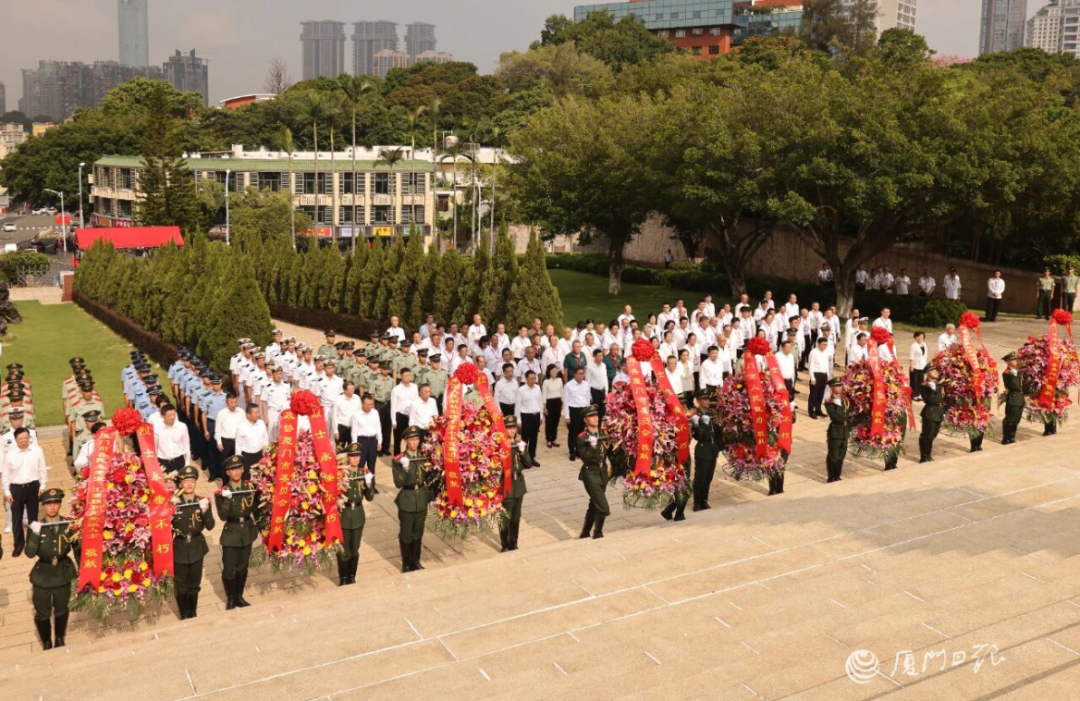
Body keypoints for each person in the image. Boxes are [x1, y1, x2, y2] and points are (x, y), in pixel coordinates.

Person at [25, 488, 78, 650]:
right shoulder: (37, 526)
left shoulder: (68, 524)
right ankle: (46, 641)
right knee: (42, 612)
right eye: (48, 504)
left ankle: (60, 638)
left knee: (61, 608)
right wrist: (35, 533)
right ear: (43, 506)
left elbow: (78, 548)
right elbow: (29, 553)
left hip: (62, 571)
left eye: (55, 503)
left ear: (60, 504)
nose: (52, 507)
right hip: (43, 574)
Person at [216, 455, 261, 610]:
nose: (236, 472)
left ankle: (239, 596)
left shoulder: (250, 487)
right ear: (227, 473)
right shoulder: (221, 492)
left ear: (242, 469)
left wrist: (262, 528)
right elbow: (223, 516)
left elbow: (256, 509)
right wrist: (227, 500)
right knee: (229, 569)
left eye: (238, 469)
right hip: (231, 532)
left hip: (247, 531)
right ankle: (230, 597)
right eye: (232, 470)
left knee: (242, 568)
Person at [171, 465, 214, 619]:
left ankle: (193, 612)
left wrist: (205, 510)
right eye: (185, 481)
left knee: (194, 583)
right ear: (180, 484)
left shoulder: (202, 501)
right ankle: (184, 613)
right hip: (179, 547)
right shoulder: (173, 503)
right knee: (180, 584)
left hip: (197, 547)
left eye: (192, 481)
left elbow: (210, 526)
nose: (189, 484)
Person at [3, 426, 47, 556]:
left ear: (29, 438)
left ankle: (33, 543)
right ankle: (18, 545)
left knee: (33, 517)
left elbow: (42, 468)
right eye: (20, 439)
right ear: (16, 439)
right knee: (16, 519)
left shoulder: (37, 450)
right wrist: (7, 492)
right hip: (16, 488)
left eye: (25, 438)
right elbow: (6, 475)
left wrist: (42, 485)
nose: (23, 441)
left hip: (33, 486)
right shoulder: (10, 454)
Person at [337, 443, 375, 585]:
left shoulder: (363, 474)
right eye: (352, 456)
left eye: (357, 456)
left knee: (354, 549)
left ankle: (352, 576)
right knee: (344, 549)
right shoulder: (341, 474)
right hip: (344, 515)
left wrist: (369, 484)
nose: (355, 459)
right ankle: (343, 578)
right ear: (347, 458)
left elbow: (369, 497)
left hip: (358, 515)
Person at [393, 426, 429, 573]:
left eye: (416, 439)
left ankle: (416, 562)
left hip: (421, 498)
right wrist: (405, 468)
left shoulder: (423, 456)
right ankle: (406, 564)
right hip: (407, 499)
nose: (414, 442)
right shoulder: (399, 459)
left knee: (418, 531)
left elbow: (428, 477)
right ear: (406, 441)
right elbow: (398, 483)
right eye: (411, 440)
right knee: (406, 533)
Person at [499, 416, 536, 552]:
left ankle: (513, 542)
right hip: (506, 484)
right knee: (505, 517)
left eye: (513, 427)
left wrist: (522, 451)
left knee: (515, 517)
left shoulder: (519, 444)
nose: (512, 430)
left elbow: (528, 464)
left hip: (518, 484)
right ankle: (504, 544)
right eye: (509, 428)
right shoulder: (500, 446)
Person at [576, 406, 611, 539]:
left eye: (596, 415)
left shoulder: (604, 433)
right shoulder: (582, 437)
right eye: (591, 416)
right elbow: (586, 459)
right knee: (603, 507)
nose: (595, 418)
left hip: (603, 472)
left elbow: (610, 452)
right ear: (585, 420)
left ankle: (586, 532)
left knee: (594, 503)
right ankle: (598, 532)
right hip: (590, 473)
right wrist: (592, 446)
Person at [691, 390, 722, 511]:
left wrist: (721, 447)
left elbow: (718, 432)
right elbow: (698, 436)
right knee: (700, 478)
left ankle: (704, 500)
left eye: (708, 399)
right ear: (698, 401)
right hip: (703, 449)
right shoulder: (695, 416)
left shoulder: (712, 413)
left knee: (708, 477)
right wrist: (700, 425)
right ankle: (697, 502)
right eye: (704, 399)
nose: (708, 401)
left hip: (713, 449)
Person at [562, 366, 591, 461]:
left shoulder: (586, 384)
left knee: (581, 432)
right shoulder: (568, 385)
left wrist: (588, 413)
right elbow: (566, 401)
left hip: (583, 410)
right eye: (579, 374)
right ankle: (572, 451)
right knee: (573, 432)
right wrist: (567, 416)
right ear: (574, 374)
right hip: (573, 411)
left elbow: (587, 399)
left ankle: (579, 451)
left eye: (583, 374)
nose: (581, 376)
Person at [234, 404, 269, 481]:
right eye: (255, 413)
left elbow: (265, 439)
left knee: (260, 479)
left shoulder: (261, 423)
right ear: (248, 415)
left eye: (258, 412)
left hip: (259, 456)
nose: (258, 415)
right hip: (247, 458)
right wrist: (239, 461)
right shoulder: (242, 427)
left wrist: (266, 454)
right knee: (247, 479)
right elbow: (238, 445)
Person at [155, 404, 190, 476]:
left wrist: (187, 462)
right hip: (163, 462)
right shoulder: (156, 428)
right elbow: (154, 446)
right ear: (163, 416)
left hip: (179, 461)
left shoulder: (182, 427)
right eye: (169, 415)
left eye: (174, 414)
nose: (172, 417)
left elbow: (186, 445)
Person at [390, 368, 419, 456]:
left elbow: (417, 402)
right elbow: (393, 406)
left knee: (411, 438)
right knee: (397, 440)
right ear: (401, 376)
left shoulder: (414, 387)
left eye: (409, 375)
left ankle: (409, 457)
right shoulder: (396, 389)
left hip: (411, 416)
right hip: (400, 416)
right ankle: (397, 458)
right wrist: (394, 421)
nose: (408, 377)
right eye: (406, 376)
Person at [824, 379, 848, 483]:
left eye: (840, 386)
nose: (839, 388)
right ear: (831, 388)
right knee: (833, 455)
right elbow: (836, 417)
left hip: (844, 431)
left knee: (841, 455)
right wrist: (837, 403)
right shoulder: (829, 401)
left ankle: (837, 475)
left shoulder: (845, 400)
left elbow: (849, 414)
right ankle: (831, 476)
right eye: (837, 386)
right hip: (835, 431)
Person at [918, 367, 944, 463]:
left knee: (933, 434)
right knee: (927, 435)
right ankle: (924, 456)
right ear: (927, 373)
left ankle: (928, 454)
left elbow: (942, 398)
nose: (936, 372)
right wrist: (935, 388)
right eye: (933, 371)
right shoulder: (924, 385)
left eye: (936, 371)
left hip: (938, 412)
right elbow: (932, 400)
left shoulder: (939, 384)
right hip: (930, 412)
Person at [515, 371, 543, 459]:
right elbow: (518, 406)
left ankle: (532, 457)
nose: (533, 380)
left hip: (536, 416)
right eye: (531, 379)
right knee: (525, 439)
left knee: (534, 438)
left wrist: (541, 416)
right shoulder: (521, 390)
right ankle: (524, 458)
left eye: (534, 378)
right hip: (526, 416)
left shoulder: (537, 388)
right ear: (526, 379)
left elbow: (540, 402)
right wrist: (518, 420)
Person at [1001, 352, 1023, 445]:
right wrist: (1016, 374)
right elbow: (1015, 386)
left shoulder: (1018, 371)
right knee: (1009, 419)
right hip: (1013, 398)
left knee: (1016, 419)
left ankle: (1012, 437)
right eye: (1013, 360)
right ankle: (1006, 438)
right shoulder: (1007, 373)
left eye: (1016, 359)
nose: (1016, 361)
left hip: (1020, 398)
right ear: (1008, 362)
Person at [807, 337, 832, 419]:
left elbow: (827, 364)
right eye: (823, 344)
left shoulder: (826, 352)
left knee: (821, 394)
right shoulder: (813, 353)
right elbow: (811, 366)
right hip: (816, 374)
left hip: (824, 375)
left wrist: (828, 375)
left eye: (826, 345)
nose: (825, 346)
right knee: (814, 394)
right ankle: (811, 411)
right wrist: (812, 377)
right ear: (818, 344)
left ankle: (818, 410)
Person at [333, 381, 362, 445]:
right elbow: (334, 416)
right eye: (350, 389)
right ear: (344, 390)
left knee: (353, 449)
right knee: (340, 449)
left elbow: (360, 413)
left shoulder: (357, 398)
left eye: (353, 388)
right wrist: (335, 431)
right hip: (341, 428)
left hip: (353, 428)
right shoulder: (338, 400)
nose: (352, 391)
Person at [542, 364, 564, 449]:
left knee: (556, 422)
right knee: (549, 422)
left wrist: (562, 403)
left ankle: (554, 439)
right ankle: (548, 439)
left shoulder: (559, 380)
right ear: (549, 372)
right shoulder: (546, 382)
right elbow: (544, 394)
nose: (554, 372)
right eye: (552, 371)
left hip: (558, 402)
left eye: (556, 370)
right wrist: (544, 407)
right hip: (549, 403)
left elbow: (562, 392)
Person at [909, 331, 928, 398]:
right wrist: (911, 365)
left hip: (922, 365)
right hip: (915, 365)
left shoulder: (924, 344)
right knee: (914, 381)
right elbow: (911, 356)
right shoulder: (913, 345)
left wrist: (926, 366)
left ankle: (919, 394)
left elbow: (925, 356)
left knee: (921, 380)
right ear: (915, 337)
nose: (920, 338)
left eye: (921, 337)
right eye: (918, 337)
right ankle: (914, 395)